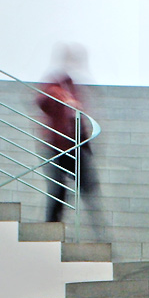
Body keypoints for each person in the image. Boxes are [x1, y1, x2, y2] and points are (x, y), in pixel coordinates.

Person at [37, 45, 97, 225]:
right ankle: (50, 229)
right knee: (58, 190)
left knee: (88, 188)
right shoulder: (55, 84)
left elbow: (78, 118)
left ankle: (99, 231)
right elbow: (43, 101)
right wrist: (63, 98)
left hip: (74, 146)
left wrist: (86, 144)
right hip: (56, 145)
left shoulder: (72, 86)